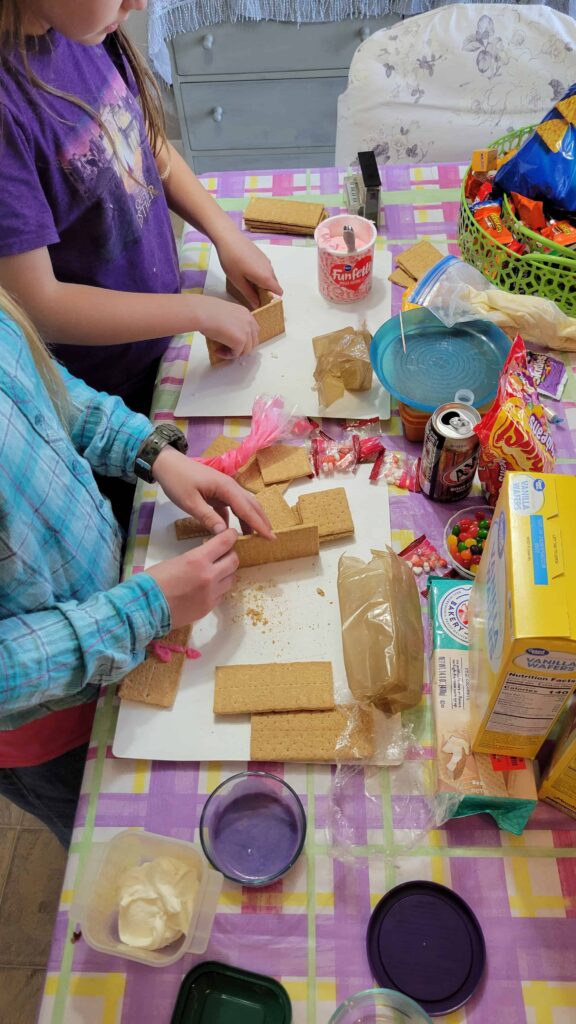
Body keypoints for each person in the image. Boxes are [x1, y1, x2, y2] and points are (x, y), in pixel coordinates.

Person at [0, 286, 273, 847]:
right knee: (119, 837)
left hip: (119, 598)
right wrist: (142, 609)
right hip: (46, 718)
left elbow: (47, 394)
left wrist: (152, 451)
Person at [0, 0, 282, 526]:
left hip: (164, 347)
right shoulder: (9, 104)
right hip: (105, 395)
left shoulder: (85, 28)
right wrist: (194, 312)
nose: (139, 4)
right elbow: (41, 304)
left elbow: (145, 139)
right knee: (149, 528)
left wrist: (223, 232)